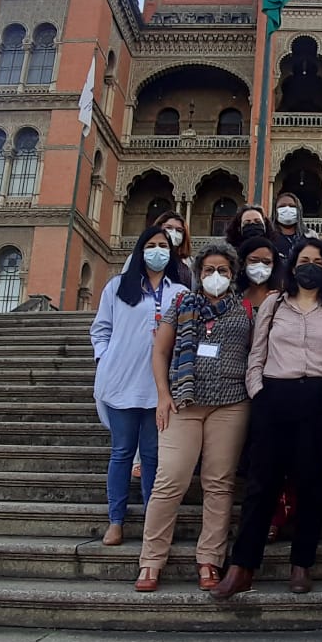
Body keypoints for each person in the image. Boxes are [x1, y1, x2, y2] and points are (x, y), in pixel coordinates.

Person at [214, 238, 322, 599]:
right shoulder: (274, 304)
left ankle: (301, 565)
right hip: (276, 396)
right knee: (262, 486)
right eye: (304, 260)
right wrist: (259, 391)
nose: (310, 267)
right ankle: (242, 567)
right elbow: (256, 353)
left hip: (321, 398)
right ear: (291, 267)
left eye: (318, 262)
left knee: (312, 486)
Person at [137, 242, 252, 593]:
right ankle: (150, 560)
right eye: (208, 270)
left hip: (230, 404)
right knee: (170, 480)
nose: (215, 276)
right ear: (198, 273)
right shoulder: (180, 304)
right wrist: (162, 395)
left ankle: (209, 560)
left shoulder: (245, 310)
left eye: (223, 270)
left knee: (219, 483)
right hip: (183, 403)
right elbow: (160, 351)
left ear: (233, 275)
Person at [89, 226, 188, 546]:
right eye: (151, 245)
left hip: (159, 387)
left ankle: (152, 521)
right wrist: (104, 358)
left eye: (163, 246)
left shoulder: (179, 293)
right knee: (121, 453)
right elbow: (100, 329)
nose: (158, 250)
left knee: (151, 456)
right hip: (120, 381)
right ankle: (115, 521)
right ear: (140, 249)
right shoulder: (117, 287)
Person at [236, 236, 283, 315]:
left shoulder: (281, 295)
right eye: (254, 261)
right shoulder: (234, 295)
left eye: (266, 262)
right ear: (243, 262)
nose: (260, 266)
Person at [151, 210, 193, 286]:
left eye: (179, 230)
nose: (173, 233)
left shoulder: (189, 262)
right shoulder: (143, 255)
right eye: (169, 228)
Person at [271, 191, 309, 260]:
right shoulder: (268, 237)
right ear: (275, 211)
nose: (287, 209)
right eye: (282, 206)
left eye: (292, 206)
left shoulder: (309, 236)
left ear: (299, 211)